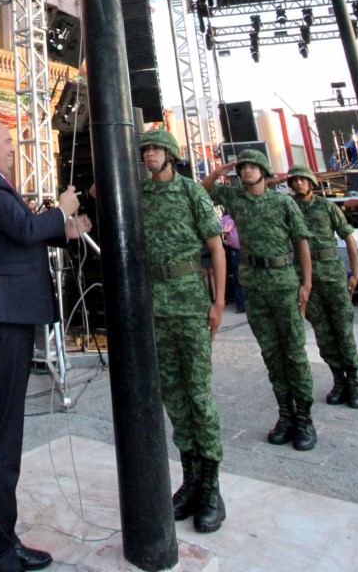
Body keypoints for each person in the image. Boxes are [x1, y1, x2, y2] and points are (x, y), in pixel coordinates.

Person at [0, 121, 91, 572]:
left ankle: (1, 541)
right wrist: (61, 209)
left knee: (6, 436)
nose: (15, 148)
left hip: (7, 316)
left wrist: (64, 228)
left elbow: (17, 235)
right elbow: (20, 228)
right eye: (8, 142)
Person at [138, 128, 226, 533]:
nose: (149, 154)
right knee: (173, 393)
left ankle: (211, 487)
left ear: (170, 155)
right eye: (145, 150)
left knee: (199, 393)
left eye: (156, 149)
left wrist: (219, 301)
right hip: (157, 306)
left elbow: (216, 247)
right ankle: (190, 479)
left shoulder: (191, 192)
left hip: (191, 304)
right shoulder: (141, 193)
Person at [204, 149, 316, 451]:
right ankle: (285, 414)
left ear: (264, 172)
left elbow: (301, 243)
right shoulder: (237, 200)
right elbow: (204, 189)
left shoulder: (283, 202)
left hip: (283, 283)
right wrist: (223, 168)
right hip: (254, 285)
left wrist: (306, 283)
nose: (247, 171)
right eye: (244, 168)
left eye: (253, 167)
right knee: (270, 352)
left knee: (293, 351)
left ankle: (304, 418)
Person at [283, 166, 358, 408]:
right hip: (305, 276)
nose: (298, 184)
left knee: (343, 328)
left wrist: (355, 273)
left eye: (302, 179)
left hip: (332, 273)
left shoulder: (326, 206)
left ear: (311, 182)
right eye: (294, 180)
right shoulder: (289, 207)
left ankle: (354, 381)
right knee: (322, 331)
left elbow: (348, 237)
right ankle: (338, 379)